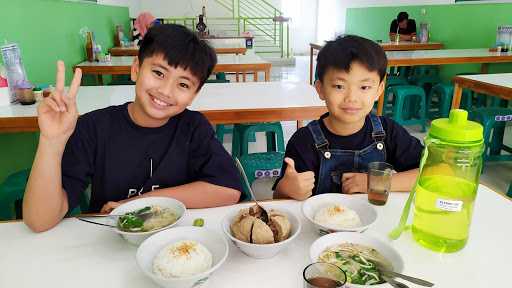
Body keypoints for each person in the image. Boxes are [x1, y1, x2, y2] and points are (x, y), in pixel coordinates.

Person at [23, 24, 242, 232]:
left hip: (175, 243)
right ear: (136, 69)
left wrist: (139, 203)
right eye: (158, 73)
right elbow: (39, 221)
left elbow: (229, 190)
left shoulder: (194, 128)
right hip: (110, 242)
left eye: (183, 84)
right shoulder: (94, 128)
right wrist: (51, 142)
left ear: (194, 95)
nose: (166, 90)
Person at [273, 35, 423, 200]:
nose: (352, 98)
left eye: (364, 87)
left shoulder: (388, 132)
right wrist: (285, 190)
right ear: (320, 89)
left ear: (379, 90)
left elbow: (431, 173)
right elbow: (281, 200)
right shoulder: (304, 141)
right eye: (339, 86)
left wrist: (375, 182)